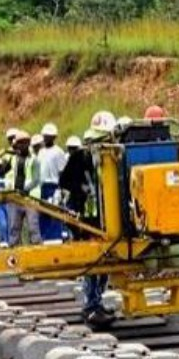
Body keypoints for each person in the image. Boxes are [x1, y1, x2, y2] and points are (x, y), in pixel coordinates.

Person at [75, 111, 118, 327]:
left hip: (101, 219)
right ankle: (91, 306)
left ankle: (95, 303)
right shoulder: (87, 161)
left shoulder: (104, 159)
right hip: (91, 220)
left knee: (102, 267)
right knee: (94, 265)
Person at [36, 123, 67, 242]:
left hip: (53, 185)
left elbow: (62, 172)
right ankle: (45, 238)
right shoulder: (41, 152)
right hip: (42, 186)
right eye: (45, 136)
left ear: (54, 137)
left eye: (49, 136)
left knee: (54, 211)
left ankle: (55, 237)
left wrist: (60, 189)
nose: (46, 138)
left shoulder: (58, 152)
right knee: (43, 212)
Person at [10, 132, 42, 245]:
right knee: (14, 226)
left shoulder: (34, 160)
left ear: (28, 143)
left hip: (30, 197)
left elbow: (36, 179)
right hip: (16, 197)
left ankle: (36, 248)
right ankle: (14, 247)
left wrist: (26, 189)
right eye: (20, 143)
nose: (22, 145)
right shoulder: (13, 159)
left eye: (25, 143)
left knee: (33, 226)